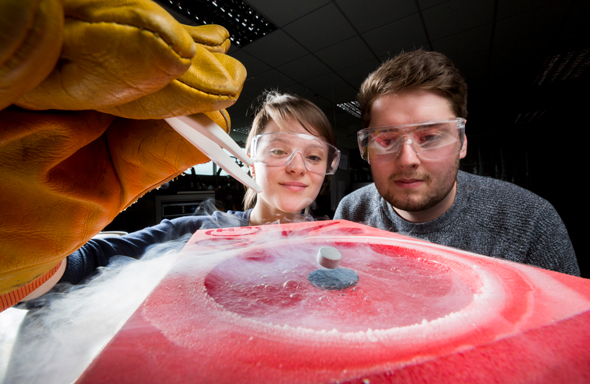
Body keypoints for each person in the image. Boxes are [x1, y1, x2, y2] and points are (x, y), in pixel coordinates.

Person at [21, 91, 341, 301]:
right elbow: (85, 264)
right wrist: (31, 245)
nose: (297, 167)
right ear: (249, 162)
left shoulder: (339, 243)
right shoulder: (196, 235)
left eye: (314, 157)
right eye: (279, 150)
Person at [334, 49, 579, 276]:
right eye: (386, 140)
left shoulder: (530, 222)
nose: (407, 160)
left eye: (429, 137)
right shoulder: (351, 213)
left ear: (461, 142)